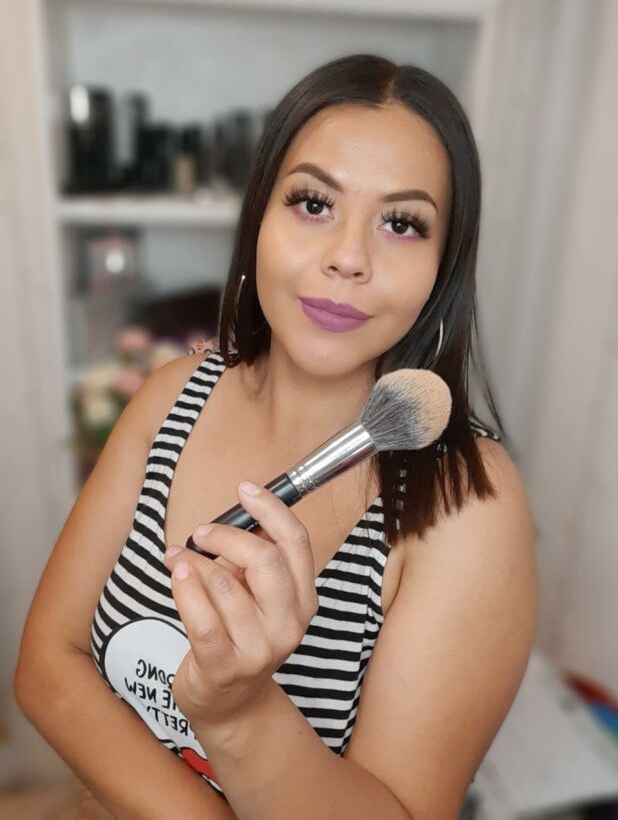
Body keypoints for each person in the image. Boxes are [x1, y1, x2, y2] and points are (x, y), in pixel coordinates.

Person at [14, 54, 538, 819]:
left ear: (442, 266)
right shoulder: (169, 397)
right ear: (259, 215)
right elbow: (46, 668)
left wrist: (241, 712)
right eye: (313, 203)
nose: (348, 258)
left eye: (401, 223)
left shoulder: (469, 505)